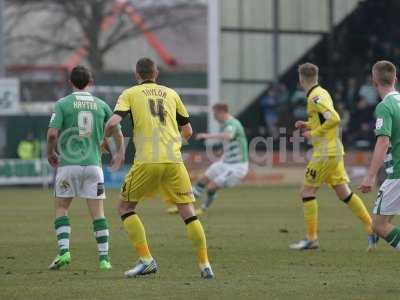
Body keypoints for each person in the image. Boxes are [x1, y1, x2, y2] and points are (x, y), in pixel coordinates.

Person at [103, 57, 214, 279]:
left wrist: (105, 140)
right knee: (188, 212)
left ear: (137, 75)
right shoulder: (172, 94)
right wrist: (174, 143)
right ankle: (205, 265)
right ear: (157, 74)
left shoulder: (130, 93)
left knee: (125, 208)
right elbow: (189, 131)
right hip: (174, 160)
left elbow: (113, 122)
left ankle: (146, 261)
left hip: (147, 160)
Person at [290, 62, 376, 250]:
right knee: (343, 192)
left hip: (325, 152)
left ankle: (311, 239)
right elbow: (325, 119)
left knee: (306, 192)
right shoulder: (322, 92)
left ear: (300, 79)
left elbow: (335, 118)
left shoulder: (314, 97)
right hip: (333, 150)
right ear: (316, 76)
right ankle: (372, 228)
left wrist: (313, 134)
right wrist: (308, 124)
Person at [47, 65, 124, 270]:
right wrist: (118, 154)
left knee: (62, 208)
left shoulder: (62, 104)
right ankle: (104, 259)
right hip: (93, 165)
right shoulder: (101, 105)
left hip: (68, 165)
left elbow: (53, 134)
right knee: (98, 214)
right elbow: (116, 132)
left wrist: (50, 152)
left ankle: (64, 252)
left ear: (71, 82)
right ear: (91, 82)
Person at [360, 60, 400, 250]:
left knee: (379, 224)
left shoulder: (385, 107)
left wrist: (370, 176)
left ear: (373, 80)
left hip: (398, 173)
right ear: (395, 79)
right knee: (384, 218)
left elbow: (383, 141)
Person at [189, 103, 249, 215]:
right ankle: (185, 206)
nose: (214, 116)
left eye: (215, 113)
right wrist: (222, 152)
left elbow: (229, 136)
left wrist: (207, 136)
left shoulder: (232, 124)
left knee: (211, 187)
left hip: (237, 167)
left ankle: (203, 208)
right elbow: (231, 141)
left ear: (222, 112)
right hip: (224, 162)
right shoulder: (226, 124)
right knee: (203, 180)